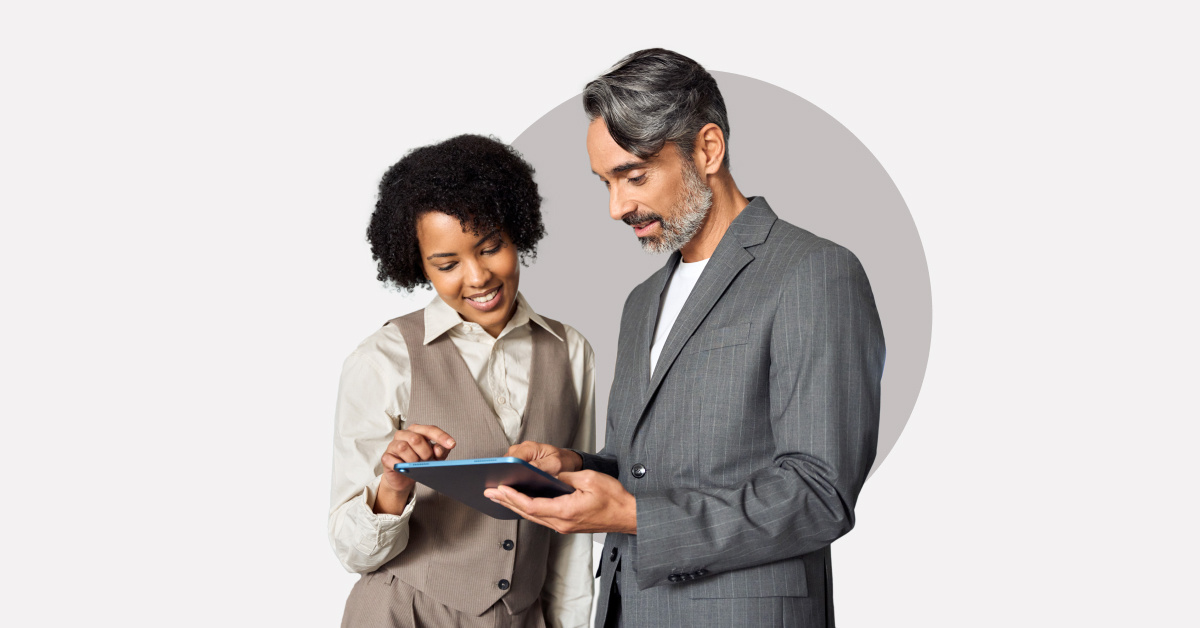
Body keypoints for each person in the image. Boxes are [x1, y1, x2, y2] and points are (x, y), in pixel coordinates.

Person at [485, 49, 885, 627]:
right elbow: (646, 470)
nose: (617, 206)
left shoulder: (813, 273)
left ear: (708, 149)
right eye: (606, 182)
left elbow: (819, 493)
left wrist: (638, 519)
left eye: (634, 175)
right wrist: (575, 463)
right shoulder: (642, 300)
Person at [329, 134, 595, 627]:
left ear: (517, 232)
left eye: (490, 247)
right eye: (447, 264)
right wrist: (392, 485)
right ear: (418, 265)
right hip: (402, 614)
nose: (477, 277)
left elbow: (575, 526)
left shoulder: (571, 351)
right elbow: (353, 552)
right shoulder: (382, 359)